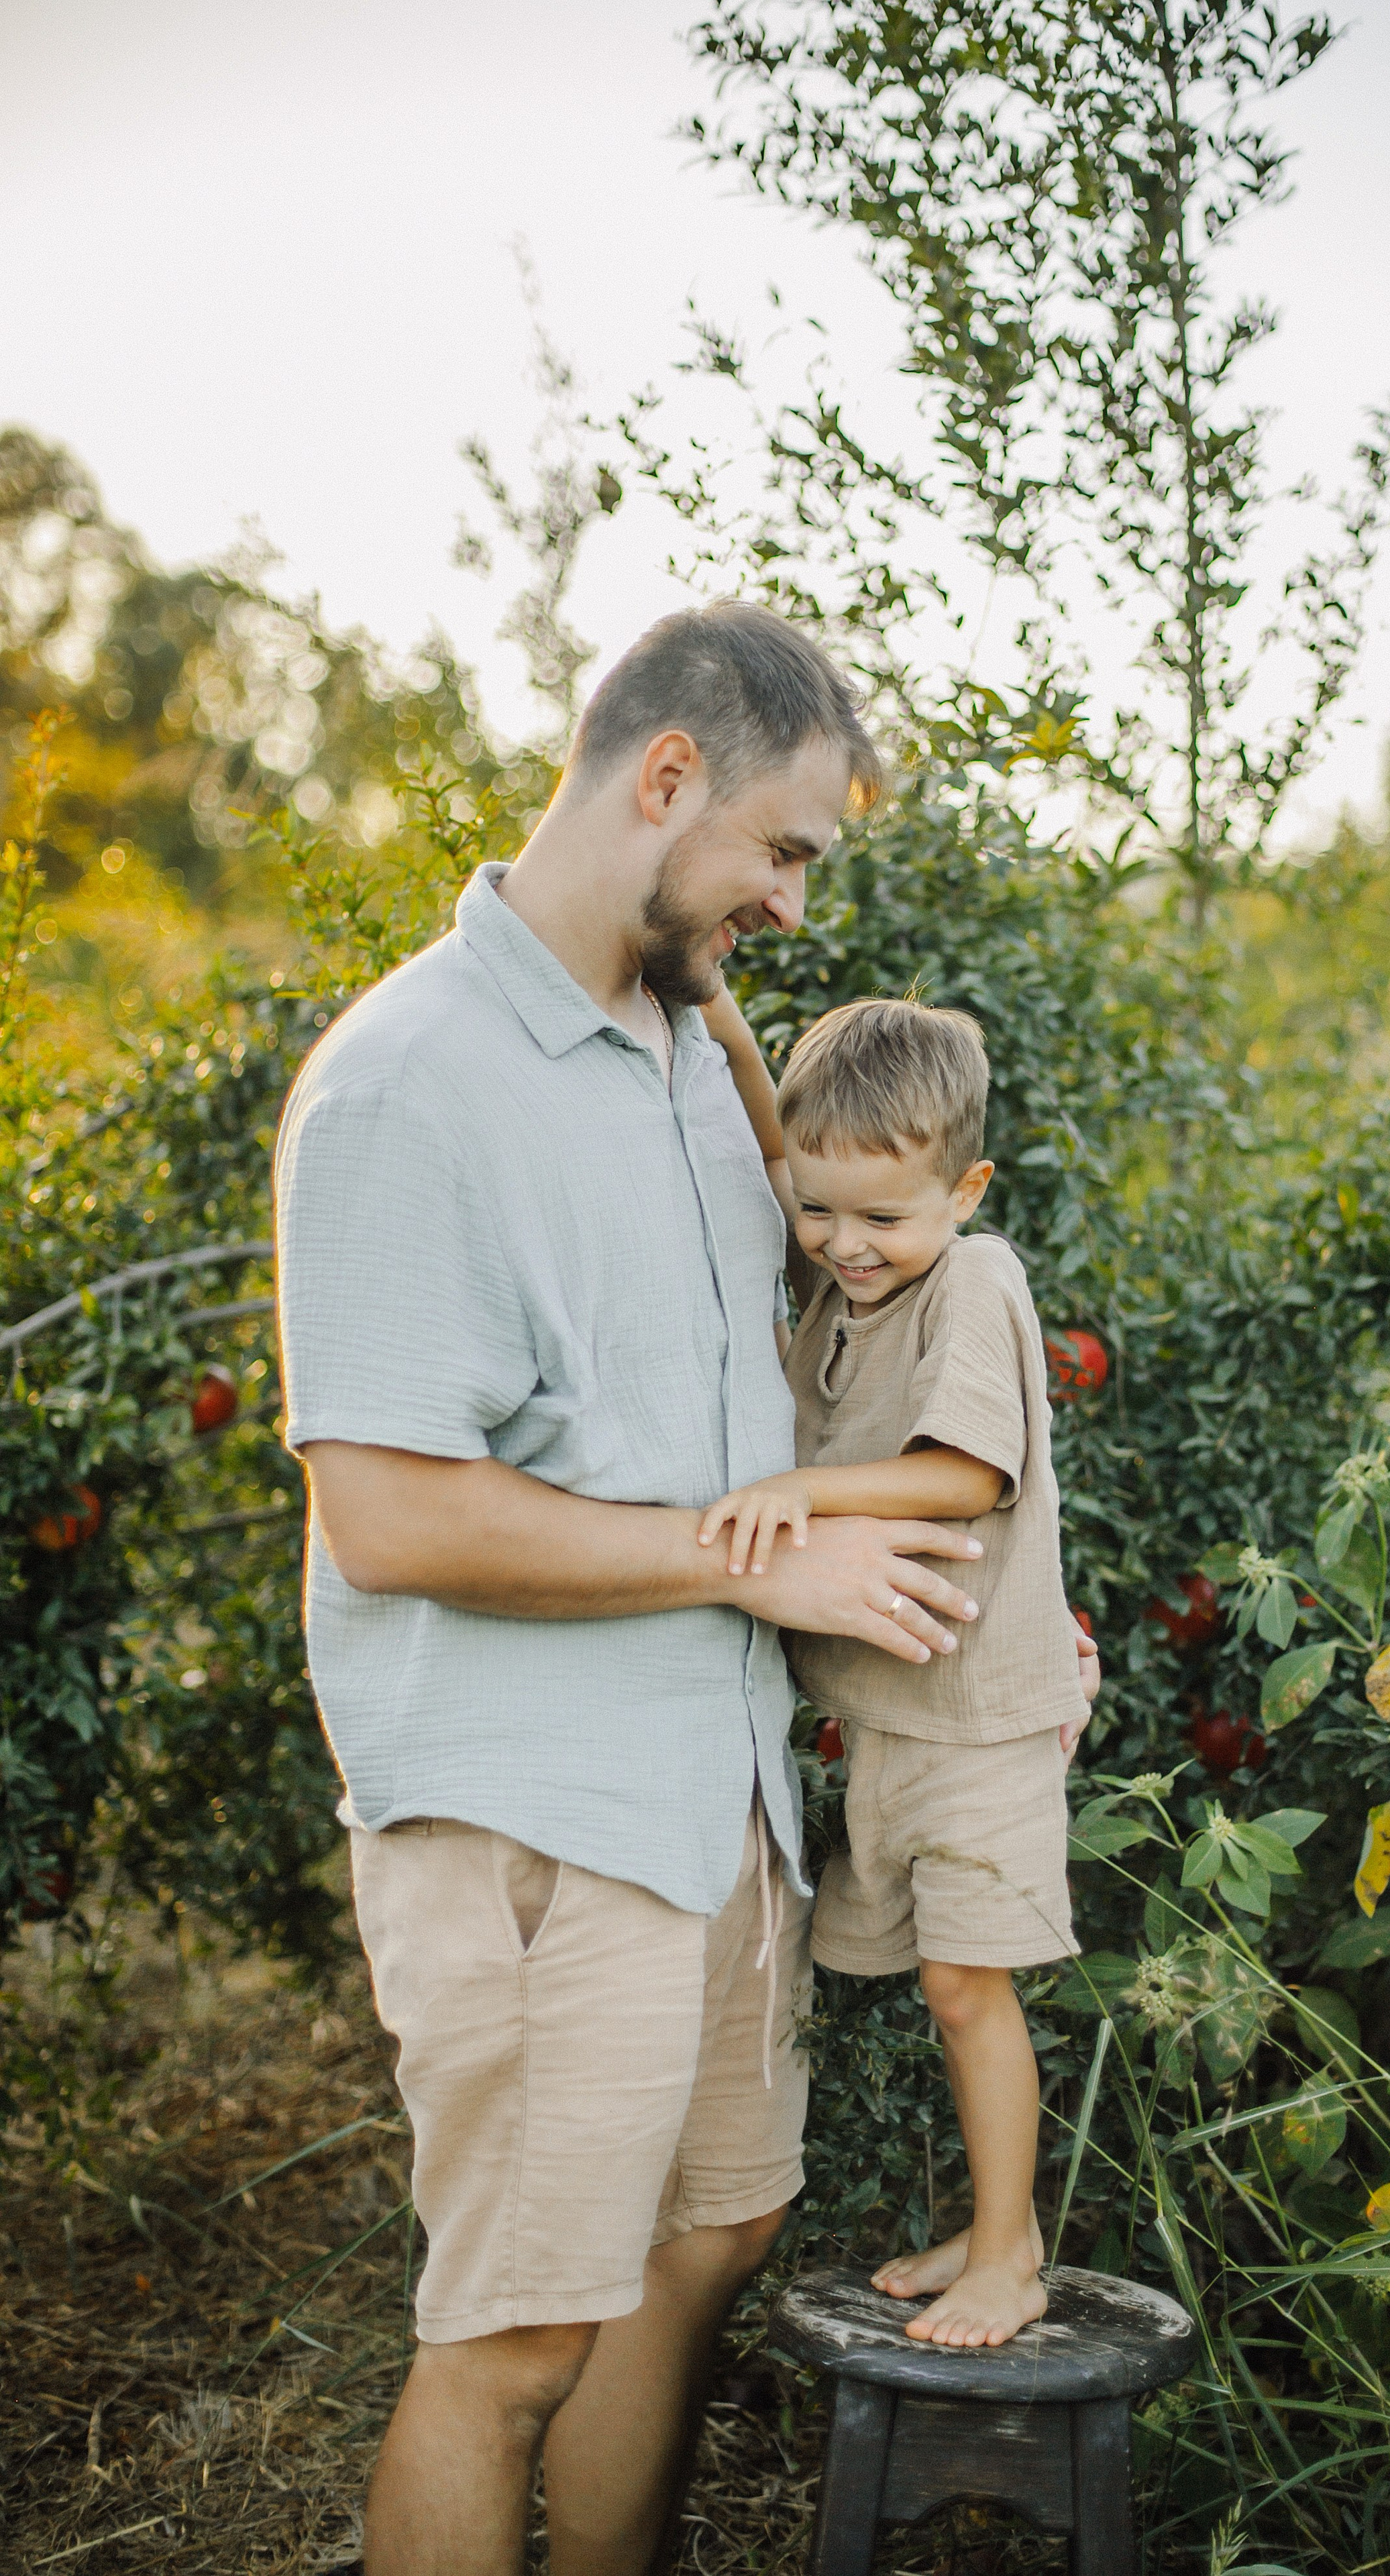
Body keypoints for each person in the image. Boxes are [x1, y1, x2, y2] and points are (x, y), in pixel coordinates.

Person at [273, 604, 993, 2576]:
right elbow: (390, 1520)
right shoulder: (411, 1084)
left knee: (708, 2239)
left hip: (711, 1790)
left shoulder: (684, 1045)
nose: (789, 903)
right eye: (781, 851)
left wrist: (993, 1600)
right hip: (536, 1814)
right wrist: (765, 1556)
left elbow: (837, 1303)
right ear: (666, 777)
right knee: (512, 2340)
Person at [696, 991, 1099, 2349]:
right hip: (888, 1719)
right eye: (820, 1214)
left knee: (969, 1988)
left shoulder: (972, 1279)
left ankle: (1011, 2257)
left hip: (976, 1722)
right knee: (929, 1987)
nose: (845, 1244)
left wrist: (795, 1494)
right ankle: (989, 2230)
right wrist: (718, 1008)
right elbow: (771, 1139)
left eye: (883, 1217)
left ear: (965, 1191)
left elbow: (964, 1476)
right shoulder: (839, 1275)